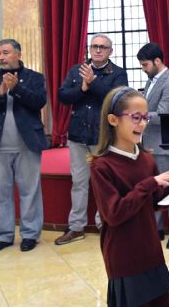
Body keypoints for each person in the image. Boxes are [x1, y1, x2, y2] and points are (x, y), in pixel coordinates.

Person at [90, 87, 169, 307]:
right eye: (135, 117)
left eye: (145, 118)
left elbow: (150, 202)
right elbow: (114, 214)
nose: (142, 124)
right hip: (124, 257)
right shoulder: (102, 166)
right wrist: (150, 183)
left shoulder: (146, 159)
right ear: (113, 120)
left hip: (150, 251)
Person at [0, 39, 48, 253]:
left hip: (27, 144)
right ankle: (3, 236)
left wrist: (16, 88)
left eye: (6, 52)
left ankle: (30, 234)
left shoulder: (35, 78)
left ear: (18, 54)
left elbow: (38, 102)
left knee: (29, 191)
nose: (2, 57)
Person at [55, 34, 128, 245]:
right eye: (94, 46)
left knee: (104, 182)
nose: (97, 50)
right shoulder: (76, 71)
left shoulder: (118, 73)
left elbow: (116, 99)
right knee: (78, 182)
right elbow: (63, 96)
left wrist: (93, 83)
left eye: (102, 47)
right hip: (78, 135)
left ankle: (104, 224)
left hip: (103, 136)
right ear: (89, 48)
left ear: (110, 52)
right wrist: (82, 88)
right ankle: (76, 227)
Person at [137, 42, 169, 249]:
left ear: (157, 61)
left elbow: (164, 115)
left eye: (145, 64)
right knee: (153, 187)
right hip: (148, 143)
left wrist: (138, 116)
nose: (143, 69)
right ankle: (157, 228)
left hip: (165, 144)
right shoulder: (152, 80)